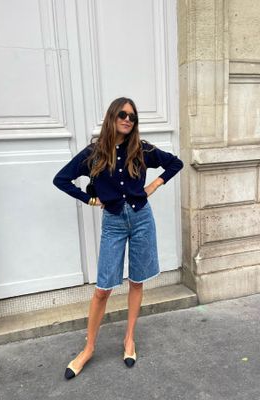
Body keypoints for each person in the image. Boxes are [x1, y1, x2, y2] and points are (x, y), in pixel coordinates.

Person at [53, 97, 183, 379]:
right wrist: (88, 199)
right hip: (113, 222)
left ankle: (129, 339)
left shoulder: (142, 149)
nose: (127, 120)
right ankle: (88, 349)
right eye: (122, 114)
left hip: (141, 220)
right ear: (112, 116)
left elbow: (175, 163)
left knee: (136, 281)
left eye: (132, 117)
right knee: (103, 288)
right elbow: (61, 179)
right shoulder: (94, 153)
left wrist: (153, 186)